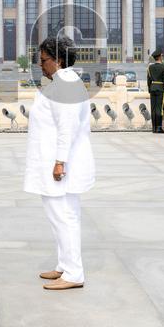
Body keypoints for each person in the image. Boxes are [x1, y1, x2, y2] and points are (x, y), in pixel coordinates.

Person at [24, 35, 95, 290]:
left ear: (59, 60)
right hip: (59, 162)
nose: (40, 65)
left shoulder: (64, 85)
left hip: (60, 165)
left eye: (43, 60)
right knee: (65, 216)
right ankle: (65, 266)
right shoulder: (62, 82)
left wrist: (59, 162)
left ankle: (74, 274)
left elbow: (67, 127)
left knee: (62, 216)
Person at [146, 49, 164, 133]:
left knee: (153, 108)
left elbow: (148, 80)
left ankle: (154, 128)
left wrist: (149, 88)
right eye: (161, 56)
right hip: (160, 88)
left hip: (152, 88)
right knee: (159, 109)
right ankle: (159, 128)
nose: (162, 57)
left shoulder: (150, 67)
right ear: (159, 57)